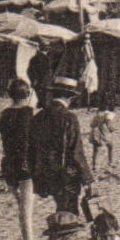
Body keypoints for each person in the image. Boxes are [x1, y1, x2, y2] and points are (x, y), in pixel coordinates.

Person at [29, 77, 93, 215]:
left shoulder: (38, 117)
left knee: (60, 211)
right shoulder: (69, 118)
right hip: (65, 176)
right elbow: (76, 152)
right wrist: (87, 180)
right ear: (70, 97)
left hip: (43, 174)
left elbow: (31, 149)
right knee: (68, 214)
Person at [0, 79, 38, 240]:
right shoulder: (33, 113)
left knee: (22, 206)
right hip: (27, 164)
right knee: (26, 210)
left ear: (9, 95)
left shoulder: (1, 115)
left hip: (9, 166)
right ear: (27, 94)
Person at [88, 100, 115, 178]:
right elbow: (109, 125)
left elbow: (92, 124)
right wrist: (112, 129)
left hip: (96, 133)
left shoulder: (97, 114)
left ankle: (94, 165)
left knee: (95, 150)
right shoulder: (109, 114)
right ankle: (110, 162)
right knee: (110, 146)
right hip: (104, 133)